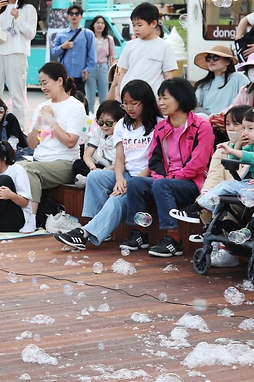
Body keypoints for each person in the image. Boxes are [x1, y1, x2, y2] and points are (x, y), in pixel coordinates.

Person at [52, 79, 161, 252]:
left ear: (146, 101)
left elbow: (154, 160)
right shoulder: (123, 125)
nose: (130, 108)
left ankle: (84, 234)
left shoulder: (158, 124)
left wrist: (131, 183)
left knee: (117, 198)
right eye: (125, 104)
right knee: (95, 176)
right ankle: (94, 227)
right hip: (126, 173)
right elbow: (120, 159)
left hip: (147, 177)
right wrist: (119, 179)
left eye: (134, 103)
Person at [122, 78, 214, 257]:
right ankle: (139, 233)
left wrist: (169, 179)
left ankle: (174, 239)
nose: (160, 103)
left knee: (161, 185)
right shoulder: (161, 127)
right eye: (159, 98)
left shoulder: (201, 126)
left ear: (181, 98)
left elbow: (198, 163)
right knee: (136, 183)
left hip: (193, 183)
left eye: (165, 98)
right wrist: (161, 178)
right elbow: (154, 160)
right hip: (165, 182)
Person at [172, 107, 254, 222]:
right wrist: (238, 144)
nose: (245, 132)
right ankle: (218, 226)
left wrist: (232, 150)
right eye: (244, 128)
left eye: (250, 128)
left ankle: (195, 209)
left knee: (226, 186)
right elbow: (233, 159)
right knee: (223, 192)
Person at [22, 62, 87, 216]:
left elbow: (71, 142)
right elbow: (32, 144)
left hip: (65, 163)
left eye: (45, 83)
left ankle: (30, 218)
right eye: (40, 83)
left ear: (59, 81)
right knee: (10, 169)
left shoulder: (75, 106)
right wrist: (39, 122)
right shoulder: (42, 106)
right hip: (39, 160)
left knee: (28, 170)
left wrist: (51, 121)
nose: (42, 87)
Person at [107, 2, 176, 100]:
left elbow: (168, 77)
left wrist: (164, 99)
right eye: (134, 25)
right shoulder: (130, 45)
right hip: (129, 99)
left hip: (152, 100)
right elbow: (122, 72)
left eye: (139, 25)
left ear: (153, 23)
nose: (136, 29)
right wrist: (118, 95)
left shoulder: (165, 47)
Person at [72, 100, 122, 187]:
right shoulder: (98, 132)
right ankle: (91, 177)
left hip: (114, 168)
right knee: (77, 164)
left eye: (109, 123)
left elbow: (122, 162)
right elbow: (87, 155)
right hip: (99, 167)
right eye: (100, 122)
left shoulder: (123, 135)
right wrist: (93, 168)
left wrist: (103, 171)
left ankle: (88, 179)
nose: (104, 126)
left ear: (119, 121)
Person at [50, 4, 95, 95]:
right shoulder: (61, 34)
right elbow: (53, 52)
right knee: (63, 99)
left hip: (80, 74)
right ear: (67, 16)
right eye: (71, 13)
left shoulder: (87, 34)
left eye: (77, 14)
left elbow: (92, 55)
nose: (74, 16)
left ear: (81, 16)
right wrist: (63, 46)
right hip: (64, 74)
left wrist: (88, 69)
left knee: (79, 100)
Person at [86, 15, 116, 112]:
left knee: (104, 97)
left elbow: (112, 56)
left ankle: (103, 117)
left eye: (102, 23)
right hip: (90, 68)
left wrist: (113, 73)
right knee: (90, 98)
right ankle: (90, 118)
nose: (100, 25)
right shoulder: (88, 37)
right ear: (93, 24)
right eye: (97, 22)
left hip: (104, 68)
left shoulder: (109, 39)